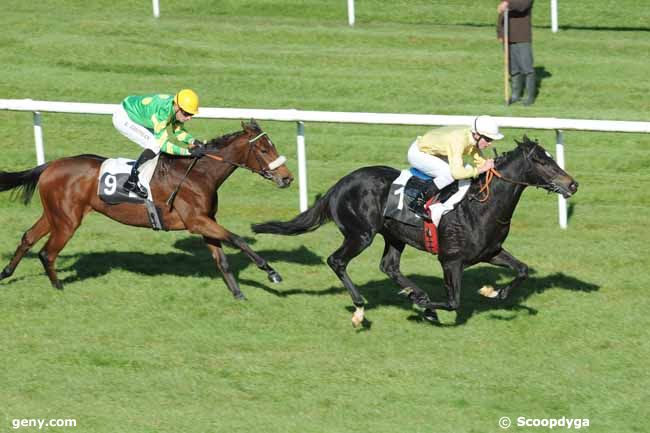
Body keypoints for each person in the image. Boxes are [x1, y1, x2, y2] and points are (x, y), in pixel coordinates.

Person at [111, 89, 206, 199]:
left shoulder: (175, 108)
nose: (189, 118)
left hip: (138, 114)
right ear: (177, 107)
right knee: (155, 145)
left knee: (156, 146)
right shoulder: (163, 113)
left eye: (191, 114)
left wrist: (193, 141)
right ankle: (131, 181)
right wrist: (188, 152)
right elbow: (163, 145)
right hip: (125, 117)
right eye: (187, 114)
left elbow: (179, 132)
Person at [407, 115, 504, 220]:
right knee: (449, 174)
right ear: (477, 135)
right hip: (419, 153)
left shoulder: (471, 138)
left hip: (436, 152)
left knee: (467, 169)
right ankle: (417, 203)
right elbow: (457, 173)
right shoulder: (459, 141)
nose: (489, 144)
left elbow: (480, 161)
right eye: (488, 139)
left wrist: (490, 165)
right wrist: (480, 169)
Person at [497, 0, 536, 105]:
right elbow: (501, 16)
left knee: (527, 67)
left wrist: (508, 4)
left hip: (522, 36)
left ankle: (530, 96)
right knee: (512, 67)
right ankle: (515, 95)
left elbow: (523, 6)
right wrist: (500, 33)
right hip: (508, 36)